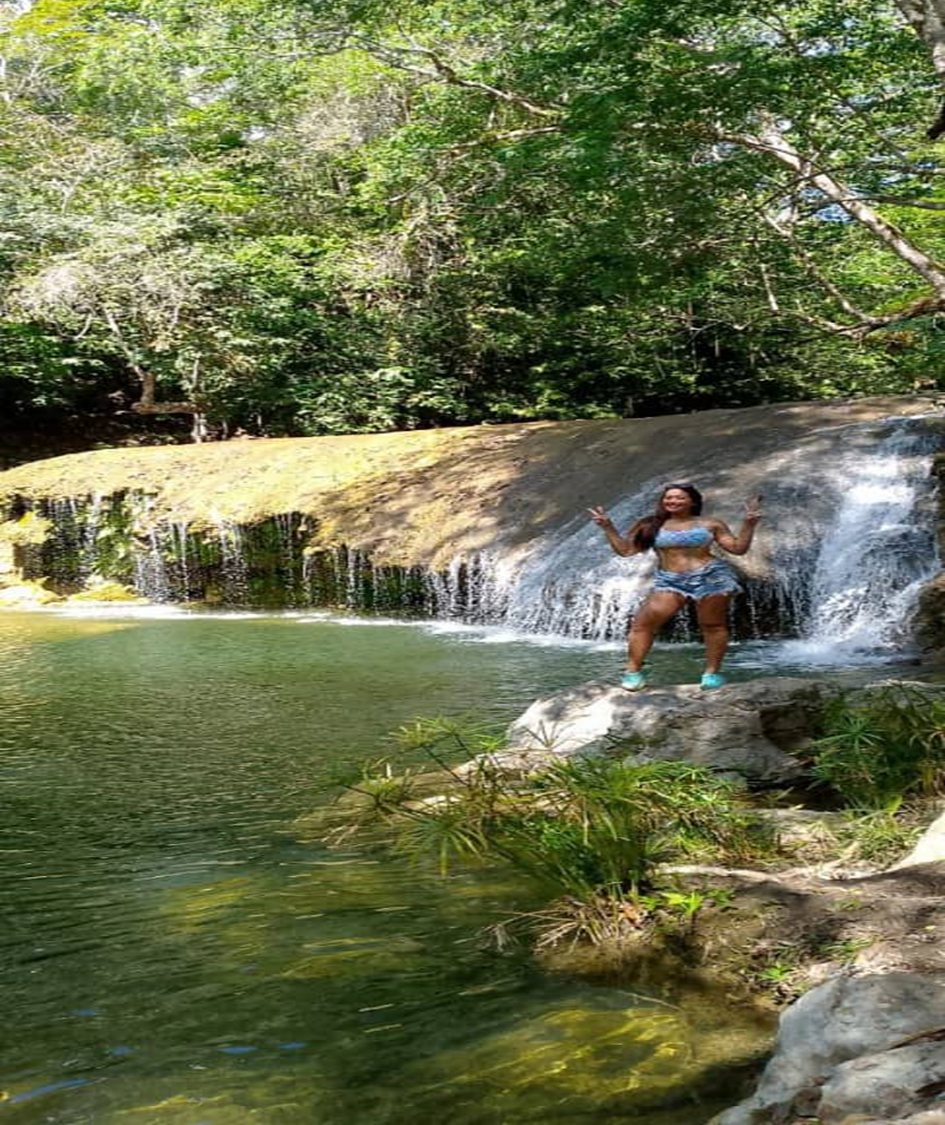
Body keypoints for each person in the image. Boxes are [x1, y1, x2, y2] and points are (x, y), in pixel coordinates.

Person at [588, 483, 763, 691]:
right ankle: (633, 671)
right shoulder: (649, 525)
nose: (672, 501)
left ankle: (712, 673)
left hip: (711, 577)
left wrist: (749, 525)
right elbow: (626, 550)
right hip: (670, 580)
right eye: (668, 498)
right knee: (642, 625)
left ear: (692, 501)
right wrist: (608, 527)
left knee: (712, 625)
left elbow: (738, 549)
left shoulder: (711, 523)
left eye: (679, 498)